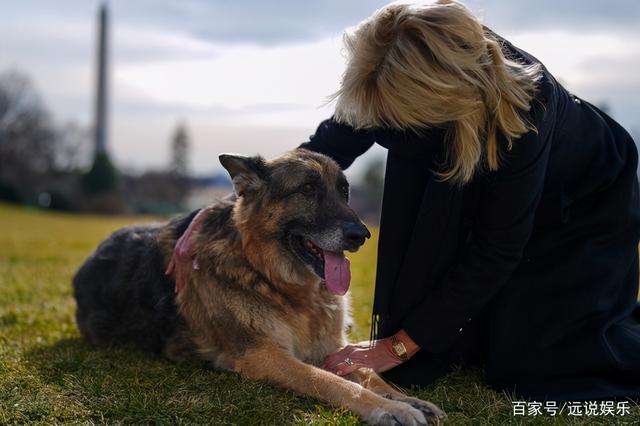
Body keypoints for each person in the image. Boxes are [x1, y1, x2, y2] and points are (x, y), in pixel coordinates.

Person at [302, 0, 640, 401]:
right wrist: (242, 201)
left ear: (439, 100)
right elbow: (329, 145)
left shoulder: (525, 111)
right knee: (471, 341)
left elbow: (496, 248)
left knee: (541, 366)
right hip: (501, 168)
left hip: (585, 195)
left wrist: (395, 347)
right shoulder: (384, 64)